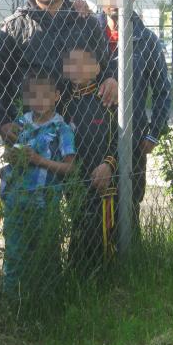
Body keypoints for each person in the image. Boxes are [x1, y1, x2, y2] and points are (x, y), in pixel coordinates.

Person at [0, 0, 117, 147]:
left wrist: (111, 79)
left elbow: (104, 68)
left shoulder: (86, 23)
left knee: (81, 176)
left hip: (82, 128)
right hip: (32, 132)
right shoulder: (14, 27)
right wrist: (3, 121)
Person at [95, 0, 171, 235]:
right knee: (90, 206)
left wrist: (153, 133)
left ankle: (129, 264)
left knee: (130, 204)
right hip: (91, 134)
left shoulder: (146, 41)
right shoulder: (86, 32)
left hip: (133, 136)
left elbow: (162, 90)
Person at [0, 69, 76, 298]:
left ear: (56, 96)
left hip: (44, 203)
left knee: (46, 254)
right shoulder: (21, 124)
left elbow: (70, 167)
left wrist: (39, 160)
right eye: (33, 96)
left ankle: (45, 302)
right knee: (14, 253)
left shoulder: (62, 129)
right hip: (16, 200)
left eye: (45, 95)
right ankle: (12, 302)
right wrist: (10, 159)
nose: (39, 102)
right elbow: (9, 153)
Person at [61, 38, 118, 274]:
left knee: (103, 236)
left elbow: (120, 140)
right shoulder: (63, 108)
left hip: (105, 184)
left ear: (96, 68)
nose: (76, 69)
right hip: (75, 185)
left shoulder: (107, 100)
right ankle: (78, 278)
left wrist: (108, 165)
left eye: (82, 63)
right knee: (79, 232)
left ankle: (107, 281)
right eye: (71, 63)